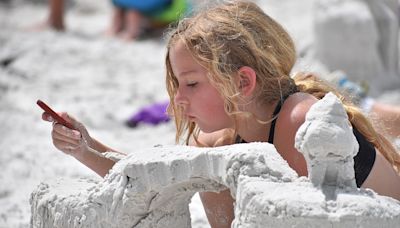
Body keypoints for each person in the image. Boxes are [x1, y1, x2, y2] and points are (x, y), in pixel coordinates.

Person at [41, 1, 400, 227]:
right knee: (208, 173)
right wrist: (85, 148)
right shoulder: (217, 138)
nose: (175, 102)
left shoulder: (300, 123)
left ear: (243, 82)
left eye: (191, 84)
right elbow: (154, 179)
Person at [33, 0, 190, 40]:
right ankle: (121, 31)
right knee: (124, 11)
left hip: (160, 10)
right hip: (152, 9)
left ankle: (128, 32)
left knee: (129, 13)